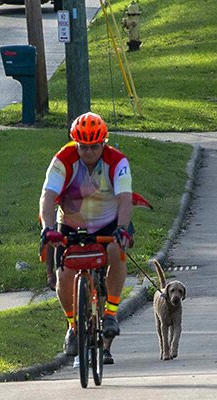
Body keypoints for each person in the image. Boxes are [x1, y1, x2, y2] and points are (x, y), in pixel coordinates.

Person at [40, 112, 134, 365]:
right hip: (71, 223)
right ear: (75, 143)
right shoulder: (63, 160)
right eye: (83, 147)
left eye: (94, 146)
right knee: (65, 275)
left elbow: (125, 198)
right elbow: (48, 197)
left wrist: (122, 228)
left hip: (109, 222)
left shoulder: (118, 161)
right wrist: (49, 228)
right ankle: (73, 325)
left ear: (104, 143)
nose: (89, 152)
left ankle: (111, 313)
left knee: (117, 252)